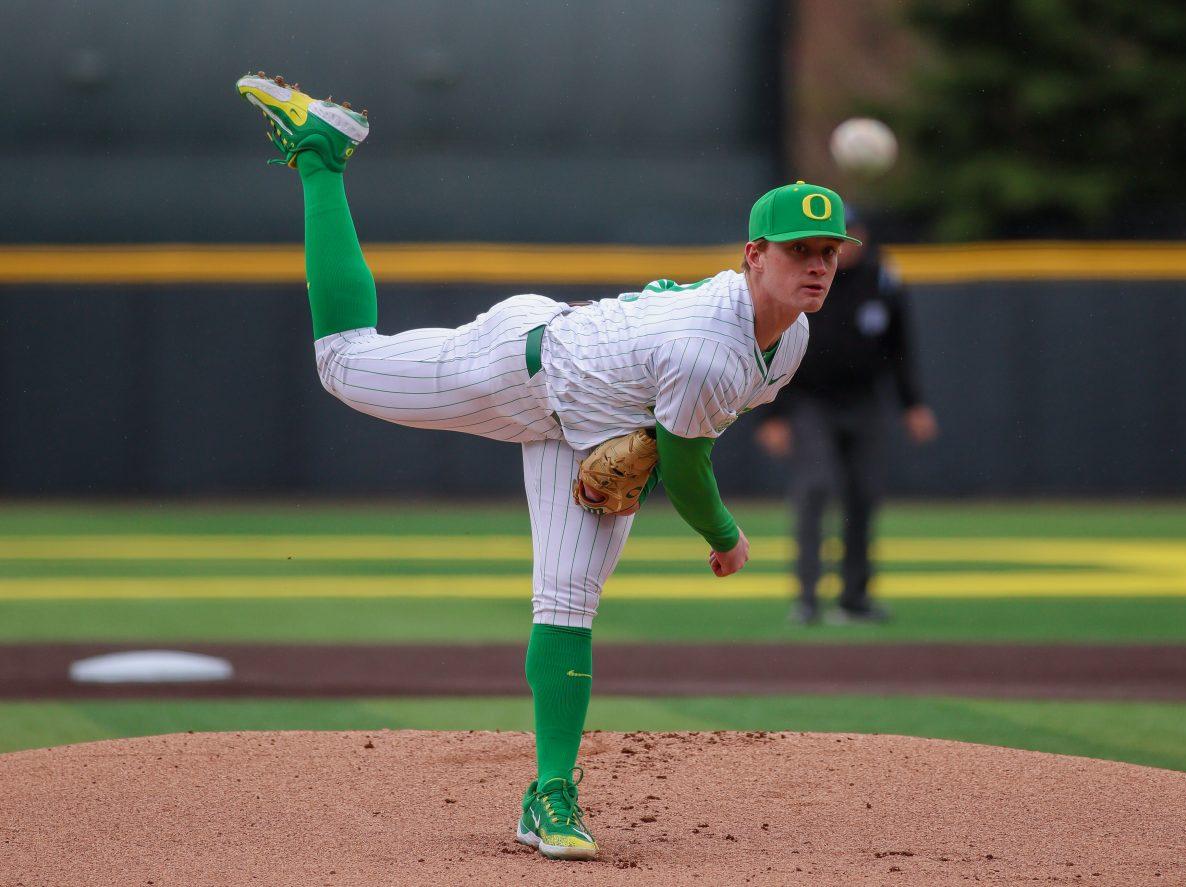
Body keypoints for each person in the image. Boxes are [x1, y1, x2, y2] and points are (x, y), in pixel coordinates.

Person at [235, 72, 858, 861]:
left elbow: (684, 399)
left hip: (586, 423)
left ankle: (550, 795)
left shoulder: (791, 335)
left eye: (829, 252)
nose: (817, 265)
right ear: (753, 256)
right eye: (799, 251)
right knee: (344, 364)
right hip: (519, 368)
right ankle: (323, 155)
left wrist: (642, 436)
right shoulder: (712, 346)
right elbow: (689, 462)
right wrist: (726, 536)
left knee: (567, 599)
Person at [754, 207, 938, 626]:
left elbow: (900, 348)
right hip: (808, 401)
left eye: (851, 234)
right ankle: (806, 598)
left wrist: (913, 404)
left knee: (863, 495)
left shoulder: (882, 278)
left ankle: (855, 598)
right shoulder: (805, 276)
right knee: (815, 488)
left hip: (864, 401)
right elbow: (768, 342)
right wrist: (771, 414)